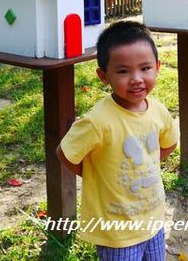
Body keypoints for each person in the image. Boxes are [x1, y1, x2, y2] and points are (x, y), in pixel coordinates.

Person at [57, 20, 178, 260]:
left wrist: (146, 163)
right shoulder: (97, 121)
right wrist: (97, 173)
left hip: (153, 220)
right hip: (117, 232)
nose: (136, 78)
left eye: (145, 68)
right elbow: (65, 153)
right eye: (123, 71)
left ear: (158, 67)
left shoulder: (157, 110)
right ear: (103, 76)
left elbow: (170, 142)